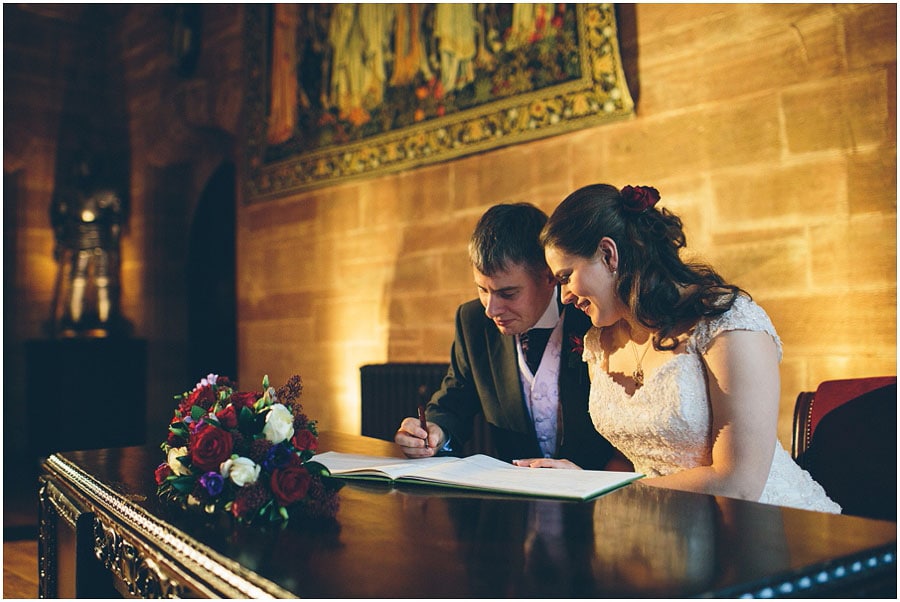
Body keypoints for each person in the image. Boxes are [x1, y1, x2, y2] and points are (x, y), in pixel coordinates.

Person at [536, 183, 840, 513]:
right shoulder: (599, 343)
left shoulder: (728, 323)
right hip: (664, 527)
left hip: (761, 524)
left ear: (609, 255)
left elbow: (739, 483)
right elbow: (634, 460)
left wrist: (597, 490)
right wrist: (578, 484)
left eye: (566, 277)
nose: (564, 296)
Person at [394, 202, 623, 470]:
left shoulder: (594, 314)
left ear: (549, 276)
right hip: (514, 501)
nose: (491, 309)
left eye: (508, 293)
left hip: (597, 496)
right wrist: (434, 433)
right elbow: (453, 403)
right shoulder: (473, 322)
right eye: (482, 290)